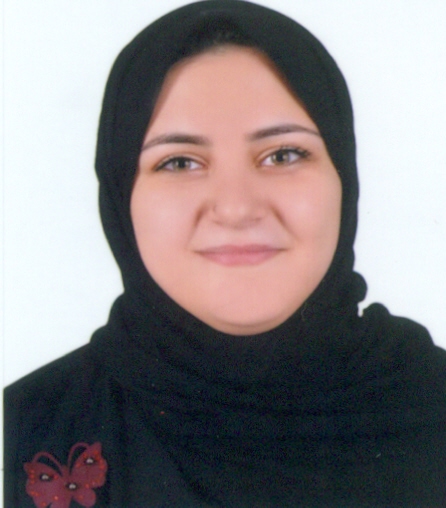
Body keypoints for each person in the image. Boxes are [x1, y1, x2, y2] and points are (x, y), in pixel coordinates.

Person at [4, 1, 446, 506]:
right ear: (121, 197)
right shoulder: (23, 429)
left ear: (344, 178)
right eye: (179, 162)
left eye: (283, 154)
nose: (236, 208)